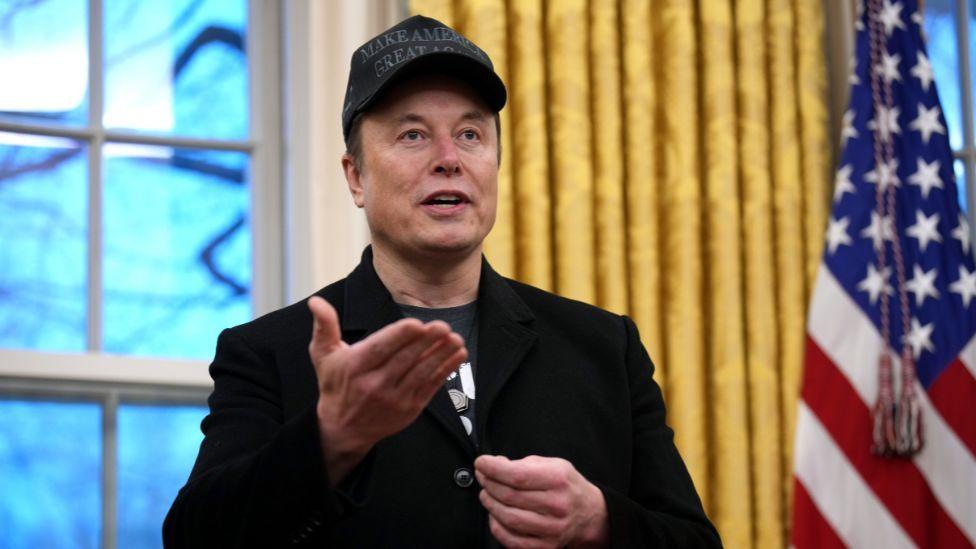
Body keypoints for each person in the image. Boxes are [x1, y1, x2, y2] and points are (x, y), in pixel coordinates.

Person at [163, 14, 719, 548]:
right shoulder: (267, 354)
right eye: (412, 136)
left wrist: (600, 521)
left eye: (471, 134)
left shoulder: (604, 347)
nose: (449, 159)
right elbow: (195, 538)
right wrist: (330, 438)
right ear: (356, 177)